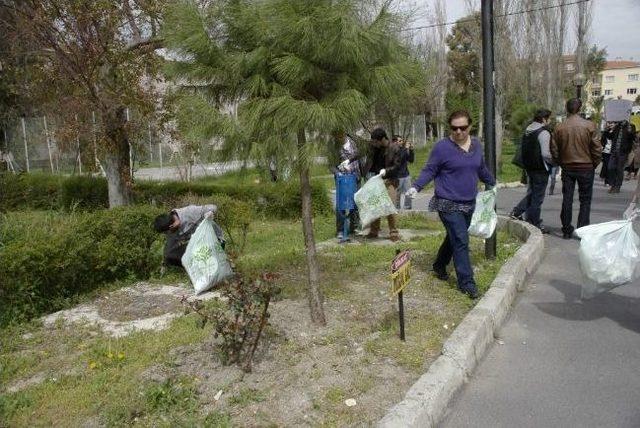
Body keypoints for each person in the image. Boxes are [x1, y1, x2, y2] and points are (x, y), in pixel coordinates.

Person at [406, 110, 495, 299]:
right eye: (454, 128)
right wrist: (417, 186)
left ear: (470, 126)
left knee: (454, 237)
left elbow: (480, 168)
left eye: (463, 128)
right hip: (447, 202)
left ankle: (439, 266)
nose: (459, 132)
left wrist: (492, 181)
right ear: (450, 128)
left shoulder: (476, 146)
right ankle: (467, 283)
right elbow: (430, 169)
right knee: (461, 240)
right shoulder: (442, 147)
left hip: (468, 202)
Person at [550, 98, 602, 239]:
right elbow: (597, 148)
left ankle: (566, 230)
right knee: (585, 200)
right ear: (580, 109)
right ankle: (583, 230)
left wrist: (561, 162)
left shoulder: (559, 127)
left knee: (567, 198)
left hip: (568, 166)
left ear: (567, 109)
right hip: (586, 166)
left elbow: (554, 149)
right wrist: (594, 163)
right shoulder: (590, 125)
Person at [509, 108, 554, 233]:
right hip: (540, 168)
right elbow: (546, 154)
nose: (550, 121)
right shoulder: (543, 133)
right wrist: (554, 161)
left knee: (532, 193)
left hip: (529, 167)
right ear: (544, 119)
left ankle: (517, 212)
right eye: (549, 118)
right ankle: (534, 222)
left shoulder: (528, 130)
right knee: (537, 197)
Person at [153, 204, 225, 267]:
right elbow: (169, 252)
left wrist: (209, 213)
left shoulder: (189, 212)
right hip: (198, 245)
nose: (166, 234)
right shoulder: (172, 231)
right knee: (169, 255)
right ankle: (194, 269)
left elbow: (213, 207)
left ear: (171, 226)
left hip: (215, 240)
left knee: (214, 265)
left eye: (165, 232)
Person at [363, 128, 402, 241]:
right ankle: (374, 231)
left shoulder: (394, 148)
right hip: (377, 180)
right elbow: (361, 154)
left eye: (376, 141)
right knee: (375, 206)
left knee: (389, 206)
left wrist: (386, 171)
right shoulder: (375, 148)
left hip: (390, 180)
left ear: (383, 139)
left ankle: (393, 233)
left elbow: (397, 166)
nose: (374, 143)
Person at [334, 131, 361, 240]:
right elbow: (331, 165)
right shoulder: (334, 148)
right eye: (336, 135)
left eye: (340, 135)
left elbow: (361, 154)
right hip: (343, 180)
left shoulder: (354, 143)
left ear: (344, 133)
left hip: (356, 177)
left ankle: (353, 227)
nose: (338, 137)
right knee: (341, 205)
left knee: (356, 202)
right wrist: (337, 173)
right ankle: (340, 230)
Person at [603, 120, 635, 193]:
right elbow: (610, 137)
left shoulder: (631, 126)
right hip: (614, 151)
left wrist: (630, 131)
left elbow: (633, 138)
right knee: (610, 167)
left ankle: (617, 186)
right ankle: (612, 184)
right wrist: (607, 129)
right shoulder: (616, 126)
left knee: (619, 169)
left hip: (623, 152)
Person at [393, 135, 415, 210]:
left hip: (406, 175)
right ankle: (396, 210)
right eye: (400, 141)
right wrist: (406, 149)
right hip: (397, 176)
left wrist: (411, 150)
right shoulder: (392, 150)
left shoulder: (403, 149)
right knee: (397, 195)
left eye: (402, 140)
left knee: (409, 193)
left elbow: (411, 160)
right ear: (395, 142)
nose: (401, 142)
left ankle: (407, 208)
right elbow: (399, 159)